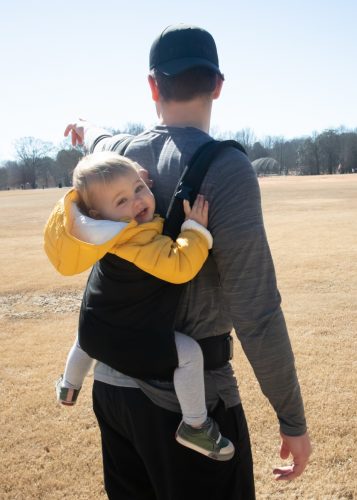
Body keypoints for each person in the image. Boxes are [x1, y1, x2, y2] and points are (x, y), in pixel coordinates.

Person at [49, 24, 311, 500]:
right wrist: (291, 417)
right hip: (187, 407)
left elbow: (99, 140)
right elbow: (257, 311)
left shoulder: (117, 154)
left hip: (112, 396)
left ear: (152, 85)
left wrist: (85, 130)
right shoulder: (227, 169)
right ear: (217, 86)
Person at [50, 150, 234, 461]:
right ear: (97, 215)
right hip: (131, 337)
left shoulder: (106, 234)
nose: (137, 202)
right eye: (122, 201)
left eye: (139, 188)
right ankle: (195, 425)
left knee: (87, 340)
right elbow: (179, 267)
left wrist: (129, 185)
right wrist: (195, 232)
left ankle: (69, 386)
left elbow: (119, 191)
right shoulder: (134, 243)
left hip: (95, 327)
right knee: (189, 354)